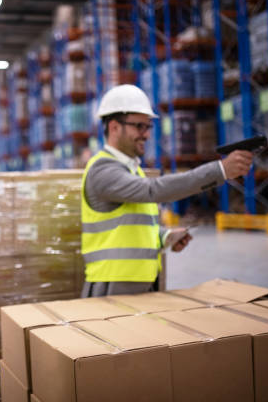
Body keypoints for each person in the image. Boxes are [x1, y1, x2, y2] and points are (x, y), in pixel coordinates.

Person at [81, 84, 254, 297]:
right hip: (112, 287)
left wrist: (165, 236)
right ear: (115, 127)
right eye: (139, 126)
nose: (146, 135)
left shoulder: (132, 170)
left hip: (140, 283)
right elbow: (154, 190)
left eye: (148, 127)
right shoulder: (103, 169)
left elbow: (130, 227)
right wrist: (219, 170)